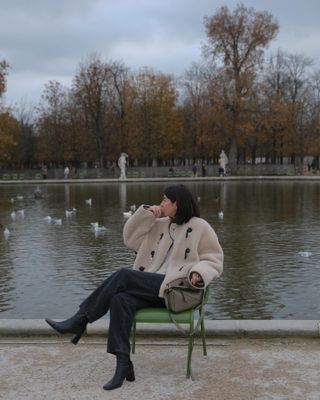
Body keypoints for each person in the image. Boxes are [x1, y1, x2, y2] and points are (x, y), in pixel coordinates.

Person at [45, 184, 223, 391]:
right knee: (119, 299)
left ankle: (81, 319)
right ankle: (123, 365)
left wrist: (199, 273)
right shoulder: (161, 224)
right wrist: (147, 216)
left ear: (178, 204)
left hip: (177, 290)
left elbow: (215, 259)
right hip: (153, 288)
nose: (162, 202)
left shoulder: (200, 226)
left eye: (166, 200)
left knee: (123, 275)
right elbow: (130, 239)